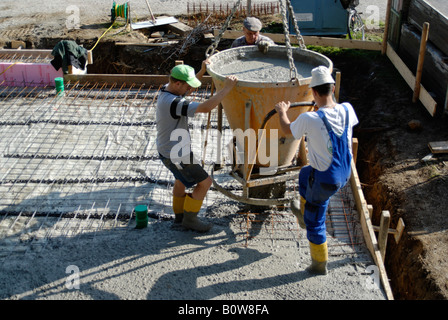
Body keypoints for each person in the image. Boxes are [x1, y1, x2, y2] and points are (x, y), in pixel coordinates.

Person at [274, 66, 359, 275]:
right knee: (304, 174)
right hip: (344, 173)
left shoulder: (309, 119)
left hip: (326, 180)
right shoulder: (347, 109)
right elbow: (336, 120)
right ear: (332, 88)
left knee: (316, 223)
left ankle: (319, 265)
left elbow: (287, 130)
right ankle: (304, 212)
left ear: (313, 92)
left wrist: (282, 112)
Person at [156, 62, 238, 232]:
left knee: (180, 181)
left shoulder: (166, 89)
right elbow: (206, 107)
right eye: (188, 85)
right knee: (205, 183)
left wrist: (201, 71)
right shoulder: (174, 103)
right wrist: (227, 89)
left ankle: (179, 218)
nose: (190, 90)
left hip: (166, 150)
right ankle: (190, 220)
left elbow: (186, 90)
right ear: (178, 83)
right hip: (177, 153)